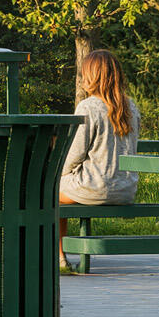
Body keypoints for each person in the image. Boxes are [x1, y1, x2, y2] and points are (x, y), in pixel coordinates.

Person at [59, 48, 143, 209]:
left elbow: (75, 154)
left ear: (93, 76)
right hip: (126, 191)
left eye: (84, 74)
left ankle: (59, 236)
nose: (82, 79)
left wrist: (58, 174)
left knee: (46, 191)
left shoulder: (88, 107)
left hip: (94, 188)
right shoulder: (131, 107)